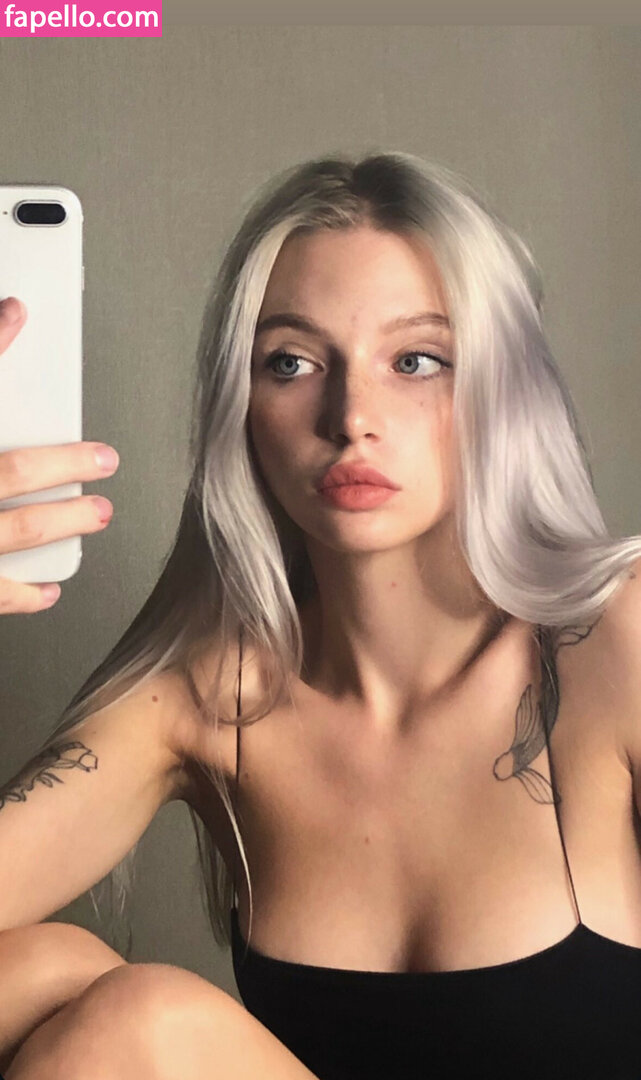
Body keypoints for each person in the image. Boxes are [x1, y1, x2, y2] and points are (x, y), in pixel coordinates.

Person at [1, 152, 641, 1079]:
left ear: (504, 388)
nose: (351, 416)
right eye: (291, 363)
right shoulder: (209, 694)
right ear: (238, 404)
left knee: (149, 1020)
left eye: (415, 360)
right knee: (35, 969)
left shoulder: (613, 642)